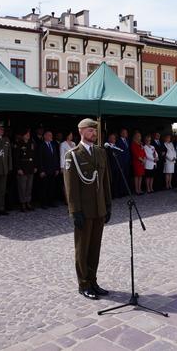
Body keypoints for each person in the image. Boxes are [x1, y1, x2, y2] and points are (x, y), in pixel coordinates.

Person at [63, 118, 111, 300]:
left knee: (95, 248)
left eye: (95, 131)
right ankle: (83, 284)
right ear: (81, 131)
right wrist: (75, 211)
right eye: (91, 130)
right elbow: (71, 187)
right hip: (84, 210)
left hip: (99, 209)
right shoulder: (73, 155)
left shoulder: (100, 152)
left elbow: (105, 181)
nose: (94, 134)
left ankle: (93, 280)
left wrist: (108, 205)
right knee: (82, 248)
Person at [14, 130, 37, 212]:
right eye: (26, 134)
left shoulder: (32, 143)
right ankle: (22, 203)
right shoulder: (18, 143)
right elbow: (16, 158)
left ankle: (28, 202)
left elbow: (34, 155)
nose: (28, 135)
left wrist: (35, 166)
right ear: (23, 135)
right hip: (22, 169)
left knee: (29, 187)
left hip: (30, 168)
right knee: (22, 187)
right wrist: (18, 168)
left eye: (29, 134)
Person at [37, 130, 60, 208]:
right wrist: (41, 170)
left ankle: (51, 202)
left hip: (53, 170)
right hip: (45, 170)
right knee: (44, 188)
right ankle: (43, 203)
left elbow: (56, 157)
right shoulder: (41, 145)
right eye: (49, 135)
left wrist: (57, 168)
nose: (51, 137)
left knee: (51, 187)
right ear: (45, 136)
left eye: (51, 135)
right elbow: (39, 159)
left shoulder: (53, 145)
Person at [115, 129, 131, 197]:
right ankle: (120, 192)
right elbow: (118, 152)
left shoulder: (127, 141)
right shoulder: (118, 141)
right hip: (121, 162)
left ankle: (125, 191)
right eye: (124, 133)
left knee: (126, 176)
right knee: (121, 177)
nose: (126, 134)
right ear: (121, 133)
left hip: (127, 161)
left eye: (126, 132)